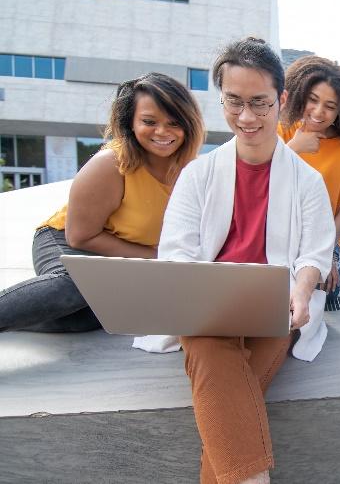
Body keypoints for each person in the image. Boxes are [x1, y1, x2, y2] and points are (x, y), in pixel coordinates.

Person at [157, 37, 334, 484]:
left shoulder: (308, 182)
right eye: (233, 102)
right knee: (215, 359)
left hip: (273, 310)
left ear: (283, 100)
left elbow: (315, 253)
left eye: (260, 103)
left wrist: (302, 287)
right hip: (208, 310)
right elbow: (176, 252)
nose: (247, 117)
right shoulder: (197, 175)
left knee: (222, 394)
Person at [0, 72, 205, 333]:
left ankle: (18, 314)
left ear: (189, 124)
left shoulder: (194, 172)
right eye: (149, 121)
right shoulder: (111, 164)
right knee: (76, 287)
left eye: (174, 123)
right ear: (130, 122)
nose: (162, 132)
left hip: (123, 257)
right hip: (65, 239)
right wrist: (156, 258)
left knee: (94, 317)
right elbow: (80, 237)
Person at [278, 55, 340, 301]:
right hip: (281, 233)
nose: (319, 112)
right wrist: (293, 147)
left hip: (327, 239)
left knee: (323, 293)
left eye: (330, 106)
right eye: (313, 100)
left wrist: (326, 251)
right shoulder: (284, 130)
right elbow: (260, 180)